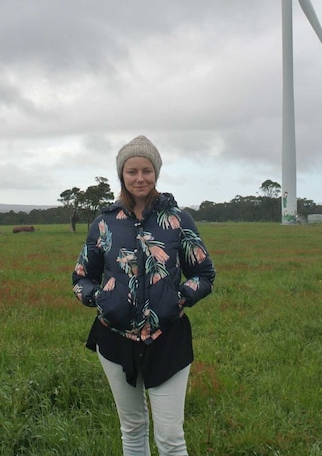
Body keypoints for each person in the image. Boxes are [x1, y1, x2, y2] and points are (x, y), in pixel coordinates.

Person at [71, 135, 216, 456]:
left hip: (168, 339)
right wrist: (101, 299)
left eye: (147, 170)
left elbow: (204, 274)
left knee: (170, 436)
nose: (140, 178)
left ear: (156, 173)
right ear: (121, 175)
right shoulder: (104, 224)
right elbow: (81, 278)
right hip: (114, 339)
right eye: (132, 171)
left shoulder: (178, 220)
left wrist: (178, 298)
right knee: (132, 429)